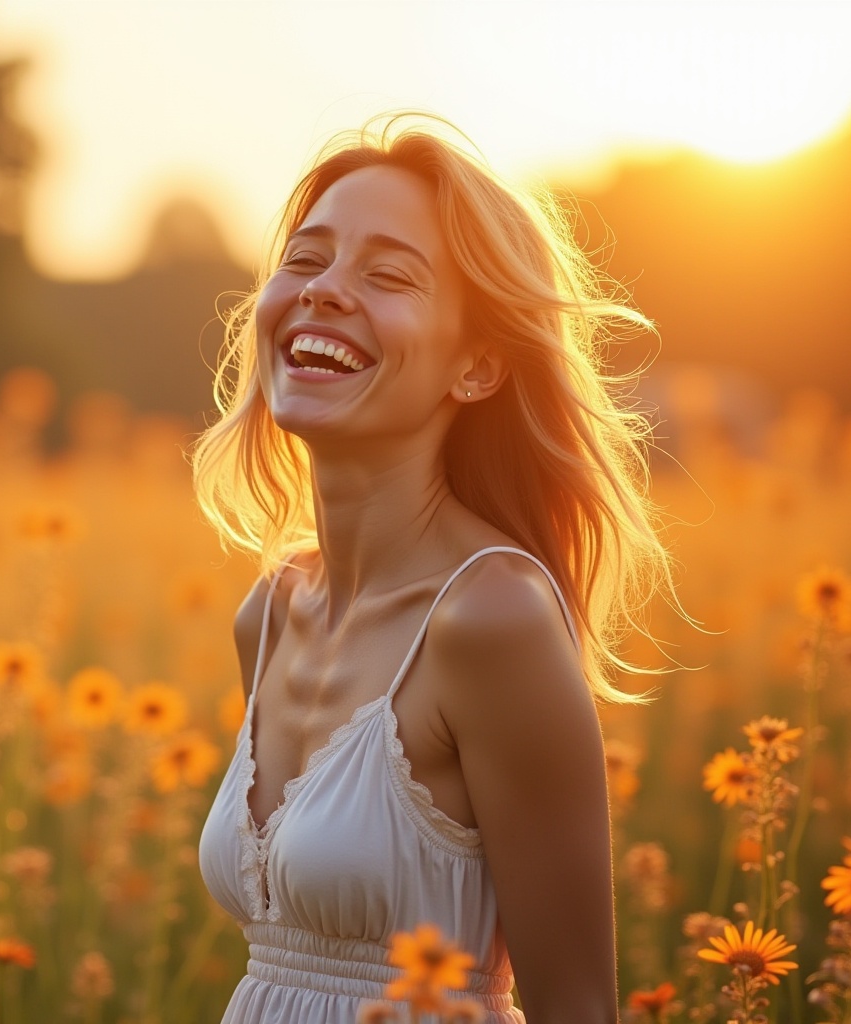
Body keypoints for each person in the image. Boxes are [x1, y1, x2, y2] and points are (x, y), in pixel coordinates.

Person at [193, 114, 682, 1024]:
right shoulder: (268, 615)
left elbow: (576, 1005)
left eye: (386, 276)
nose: (325, 292)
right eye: (305, 260)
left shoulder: (492, 622)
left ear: (479, 365)